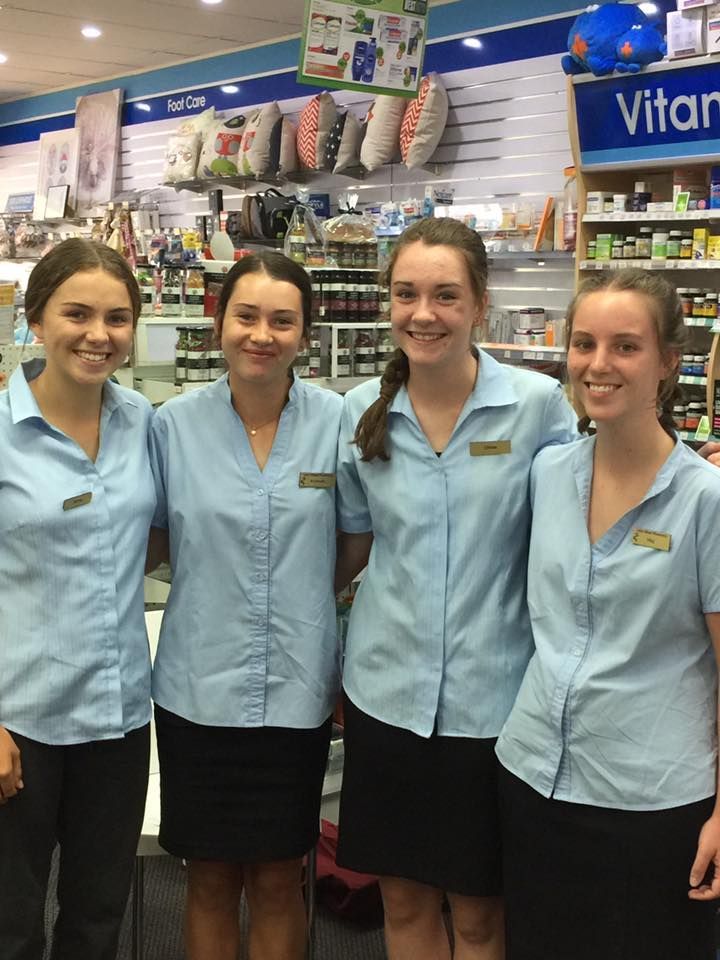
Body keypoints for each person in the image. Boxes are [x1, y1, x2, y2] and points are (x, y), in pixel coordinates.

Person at [333, 217, 578, 960]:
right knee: (403, 907)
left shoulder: (538, 408)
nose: (423, 313)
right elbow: (349, 552)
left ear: (479, 303)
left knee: (479, 918)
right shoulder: (358, 415)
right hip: (385, 702)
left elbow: (578, 530)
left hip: (493, 707)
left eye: (445, 295)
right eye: (406, 294)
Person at [496, 269, 720, 960]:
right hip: (535, 778)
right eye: (584, 343)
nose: (599, 364)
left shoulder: (705, 500)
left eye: (625, 346)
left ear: (666, 363)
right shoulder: (548, 474)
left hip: (653, 801)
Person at [148, 251, 342, 960]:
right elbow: (158, 542)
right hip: (199, 691)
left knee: (277, 878)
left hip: (294, 692)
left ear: (304, 333)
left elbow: (351, 543)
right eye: (247, 315)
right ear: (218, 321)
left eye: (282, 320)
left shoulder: (337, 423)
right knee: (207, 879)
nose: (263, 334)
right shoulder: (171, 427)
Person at [0, 238, 156, 960]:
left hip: (117, 719)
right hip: (19, 721)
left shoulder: (144, 425)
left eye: (117, 318)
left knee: (98, 917)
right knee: (11, 921)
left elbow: (153, 540)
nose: (99, 335)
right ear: (36, 319)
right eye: (78, 313)